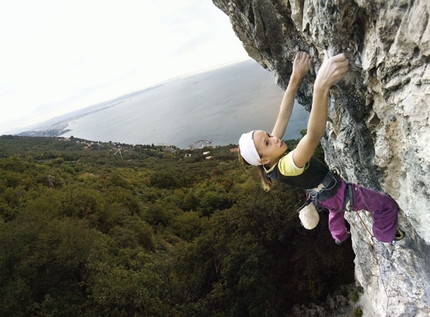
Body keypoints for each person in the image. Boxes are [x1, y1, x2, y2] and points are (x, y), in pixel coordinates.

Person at [238, 51, 404, 244]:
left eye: (267, 134)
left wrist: (295, 77)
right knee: (385, 205)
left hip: (323, 193)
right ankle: (386, 237)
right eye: (267, 142)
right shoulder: (287, 166)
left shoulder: (270, 161)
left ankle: (339, 235)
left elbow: (283, 115)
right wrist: (321, 87)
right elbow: (313, 136)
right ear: (263, 159)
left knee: (335, 207)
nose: (274, 138)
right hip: (334, 192)